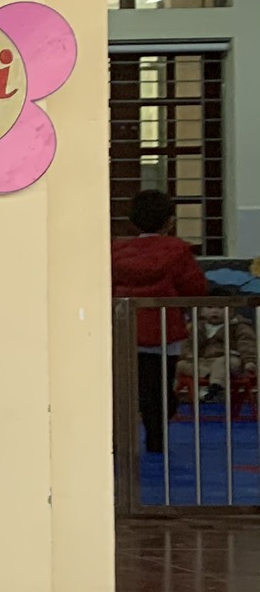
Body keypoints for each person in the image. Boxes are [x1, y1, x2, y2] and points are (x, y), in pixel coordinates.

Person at [112, 188, 207, 457]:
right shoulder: (177, 250)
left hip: (124, 329)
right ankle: (156, 440)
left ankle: (117, 445)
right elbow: (195, 288)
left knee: (124, 388)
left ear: (133, 221)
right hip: (163, 331)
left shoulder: (116, 251)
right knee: (161, 388)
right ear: (169, 221)